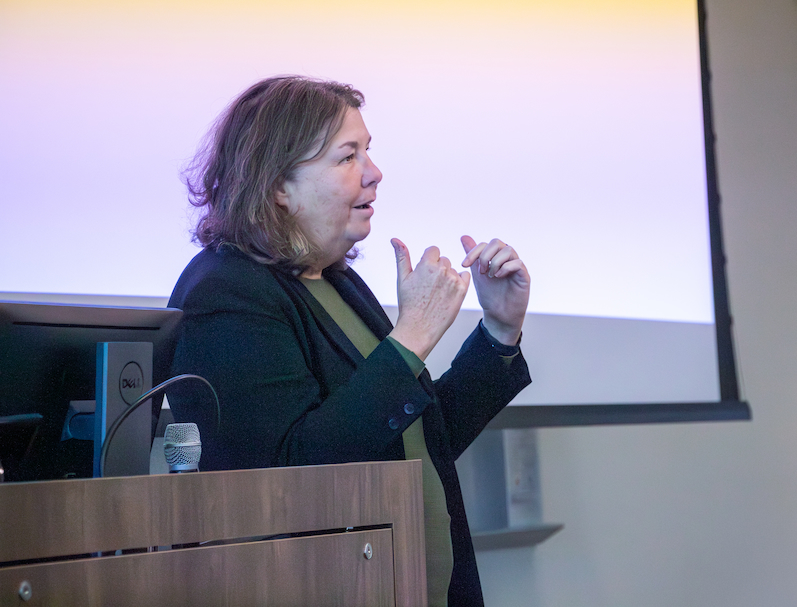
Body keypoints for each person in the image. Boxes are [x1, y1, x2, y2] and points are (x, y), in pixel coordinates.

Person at [166, 75, 531, 606]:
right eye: (347, 157)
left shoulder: (334, 278)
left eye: (369, 152)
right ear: (278, 187)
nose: (375, 173)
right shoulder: (228, 291)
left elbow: (417, 439)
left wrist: (499, 333)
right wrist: (412, 337)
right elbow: (287, 477)